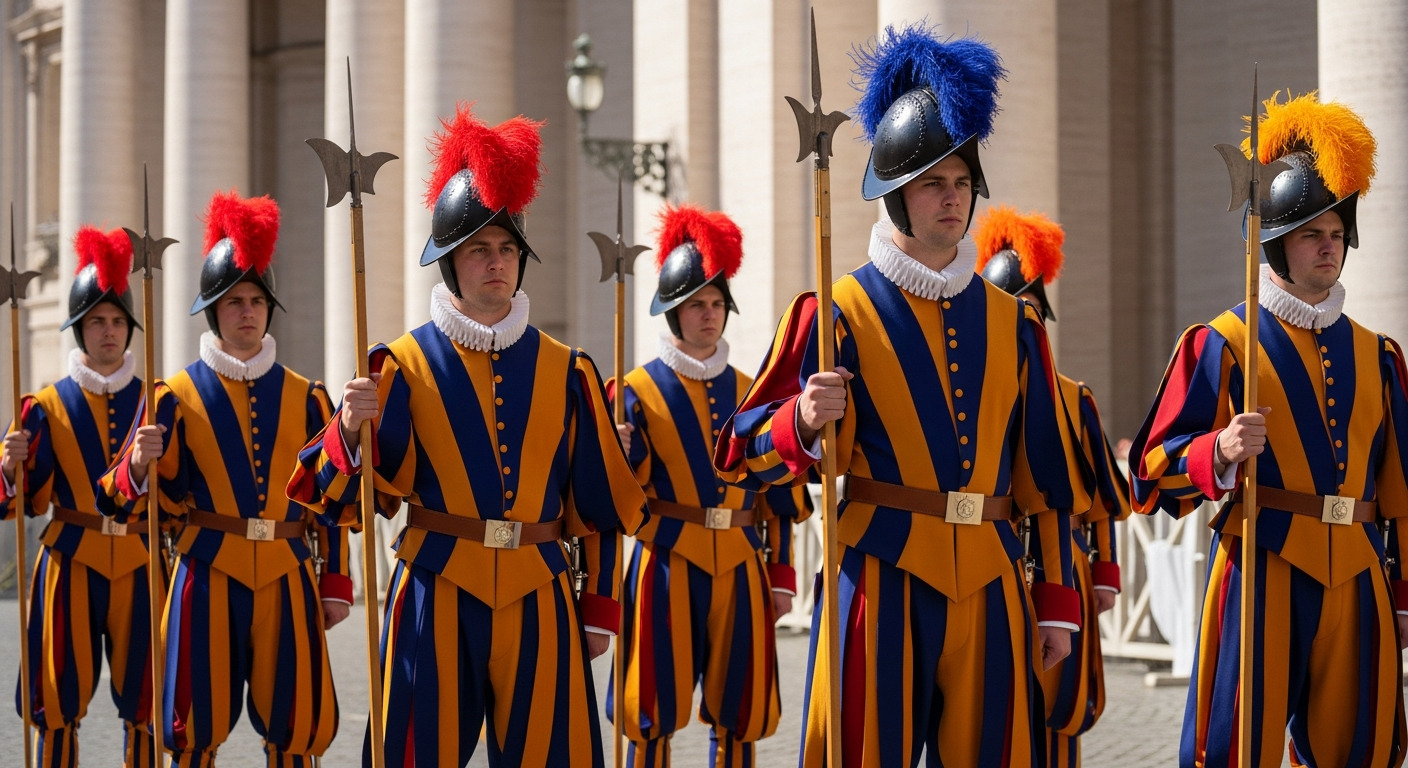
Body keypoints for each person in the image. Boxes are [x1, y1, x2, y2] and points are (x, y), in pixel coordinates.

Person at [713, 24, 1090, 768]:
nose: (952, 200)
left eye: (961, 183)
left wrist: (1057, 601)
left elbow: (1044, 479)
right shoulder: (834, 311)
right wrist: (799, 420)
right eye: (932, 184)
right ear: (894, 194)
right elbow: (737, 452)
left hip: (990, 577)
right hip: (877, 575)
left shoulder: (1015, 325)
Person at [287, 104, 646, 768]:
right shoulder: (400, 364)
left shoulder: (569, 370)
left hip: (541, 591)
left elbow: (593, 501)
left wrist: (599, 604)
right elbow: (336, 497)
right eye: (479, 249)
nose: (496, 262)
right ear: (451, 261)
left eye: (507, 248)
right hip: (434, 588)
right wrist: (347, 428)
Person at [1130, 92, 1408, 767]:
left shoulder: (1380, 355)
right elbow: (1150, 469)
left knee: (1364, 753)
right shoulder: (1221, 343)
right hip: (1261, 567)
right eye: (1313, 233)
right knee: (1235, 749)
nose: (1329, 245)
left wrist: (1401, 596)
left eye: (1338, 232)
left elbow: (1401, 493)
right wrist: (1216, 451)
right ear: (1276, 242)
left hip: (1361, 577)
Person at [100, 191, 351, 768]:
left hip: (289, 575)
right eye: (233, 301)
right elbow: (115, 497)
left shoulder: (308, 396)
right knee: (193, 727)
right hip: (204, 572)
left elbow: (330, 499)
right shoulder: (172, 396)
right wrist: (139, 463)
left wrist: (334, 580)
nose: (246, 311)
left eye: (256, 300)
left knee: (297, 727)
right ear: (214, 311)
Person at [608, 204, 810, 767]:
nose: (709, 315)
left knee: (741, 712)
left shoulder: (756, 392)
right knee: (649, 713)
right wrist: (619, 456)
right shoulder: (632, 392)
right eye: (696, 304)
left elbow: (780, 496)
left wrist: (782, 575)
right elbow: (616, 500)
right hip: (664, 561)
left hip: (744, 564)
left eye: (718, 303)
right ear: (673, 313)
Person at [974, 205, 1132, 768]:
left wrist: (1105, 574)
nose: (1026, 322)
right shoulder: (973, 395)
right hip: (996, 569)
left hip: (1064, 573)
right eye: (1015, 311)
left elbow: (1104, 500)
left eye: (1034, 311)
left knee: (1060, 714)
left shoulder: (1074, 397)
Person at [2, 227, 155, 766]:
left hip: (141, 560)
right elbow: (21, 501)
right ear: (79, 328)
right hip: (68, 560)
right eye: (97, 321)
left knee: (148, 702)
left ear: (130, 328)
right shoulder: (43, 405)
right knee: (58, 699)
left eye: (117, 321)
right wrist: (10, 466)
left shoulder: (157, 403)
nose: (108, 332)